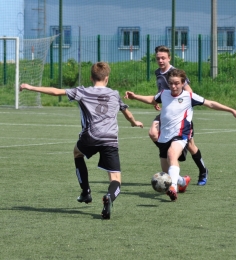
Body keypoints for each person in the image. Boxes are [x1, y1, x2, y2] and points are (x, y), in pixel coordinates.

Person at [20, 61, 144, 219]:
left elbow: (56, 92)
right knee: (116, 180)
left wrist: (31, 87)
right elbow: (127, 112)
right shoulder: (114, 93)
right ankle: (109, 197)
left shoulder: (82, 91)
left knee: (77, 153)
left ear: (91, 78)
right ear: (107, 78)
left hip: (91, 136)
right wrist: (134, 122)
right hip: (110, 139)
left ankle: (86, 192)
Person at [125, 69, 236, 202]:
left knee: (172, 155)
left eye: (176, 83)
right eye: (171, 83)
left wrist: (232, 110)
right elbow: (153, 99)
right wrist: (135, 96)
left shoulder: (189, 96)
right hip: (164, 136)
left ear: (183, 83)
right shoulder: (164, 93)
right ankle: (182, 181)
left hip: (181, 134)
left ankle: (173, 188)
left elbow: (210, 103)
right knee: (167, 172)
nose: (173, 86)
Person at [150, 45, 208, 186]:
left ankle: (202, 170)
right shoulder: (158, 72)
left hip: (181, 116)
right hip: (167, 112)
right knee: (152, 133)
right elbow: (162, 92)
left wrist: (183, 111)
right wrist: (157, 103)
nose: (160, 61)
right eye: (158, 58)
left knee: (191, 146)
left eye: (163, 58)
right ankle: (173, 162)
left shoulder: (174, 73)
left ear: (169, 58)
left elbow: (188, 92)